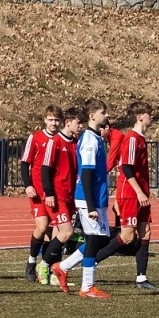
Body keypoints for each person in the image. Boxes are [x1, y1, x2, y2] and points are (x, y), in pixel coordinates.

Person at [92, 100, 156, 288]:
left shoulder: (141, 138)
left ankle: (141, 278)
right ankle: (91, 262)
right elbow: (126, 168)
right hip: (131, 194)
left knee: (146, 232)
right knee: (128, 236)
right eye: (148, 114)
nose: (151, 117)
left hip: (141, 194)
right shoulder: (132, 138)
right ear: (139, 117)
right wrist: (138, 192)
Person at [58, 98, 112, 298]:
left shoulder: (95, 137)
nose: (105, 116)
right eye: (103, 113)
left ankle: (63, 267)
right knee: (93, 240)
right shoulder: (89, 140)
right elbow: (87, 174)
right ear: (92, 116)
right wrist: (90, 206)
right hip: (89, 199)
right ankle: (87, 287)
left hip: (96, 198)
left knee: (100, 239)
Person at [37, 109, 83, 287]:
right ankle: (44, 265)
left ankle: (54, 273)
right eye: (78, 123)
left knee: (58, 233)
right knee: (67, 232)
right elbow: (45, 169)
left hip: (69, 196)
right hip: (57, 195)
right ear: (68, 122)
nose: (80, 127)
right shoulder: (55, 142)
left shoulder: (75, 142)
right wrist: (48, 193)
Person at [20, 105, 63, 281]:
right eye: (51, 119)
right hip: (37, 191)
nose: (54, 123)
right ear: (45, 120)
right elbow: (25, 163)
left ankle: (49, 268)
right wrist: (27, 185)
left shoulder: (63, 139)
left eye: (57, 120)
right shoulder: (36, 137)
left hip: (55, 191)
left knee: (55, 231)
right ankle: (31, 262)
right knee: (42, 226)